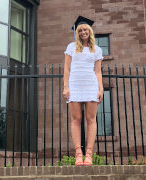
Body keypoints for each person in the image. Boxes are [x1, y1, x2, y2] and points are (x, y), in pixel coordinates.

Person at [62, 20, 103, 166]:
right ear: (77, 33)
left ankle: (89, 155)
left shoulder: (97, 50)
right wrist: (66, 87)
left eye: (85, 30)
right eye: (80, 30)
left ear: (90, 32)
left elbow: (97, 72)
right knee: (76, 119)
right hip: (75, 86)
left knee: (91, 119)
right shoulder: (71, 47)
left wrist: (101, 88)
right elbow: (66, 69)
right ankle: (78, 154)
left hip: (91, 86)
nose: (83, 32)